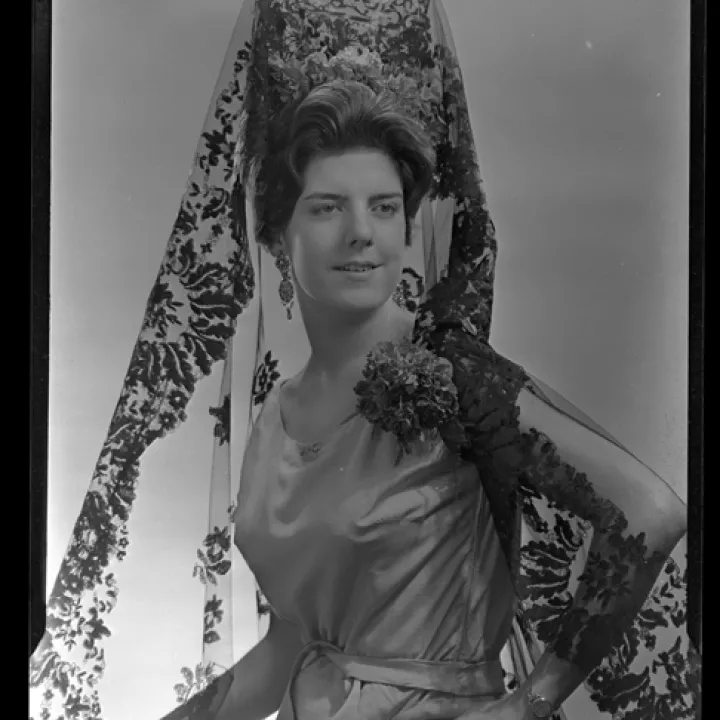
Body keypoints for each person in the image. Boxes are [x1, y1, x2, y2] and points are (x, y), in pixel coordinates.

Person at [30, 1, 700, 719]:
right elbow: (285, 652)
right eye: (327, 207)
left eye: (384, 207)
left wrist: (525, 707)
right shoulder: (276, 419)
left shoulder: (450, 375)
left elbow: (649, 512)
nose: (361, 233)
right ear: (278, 235)